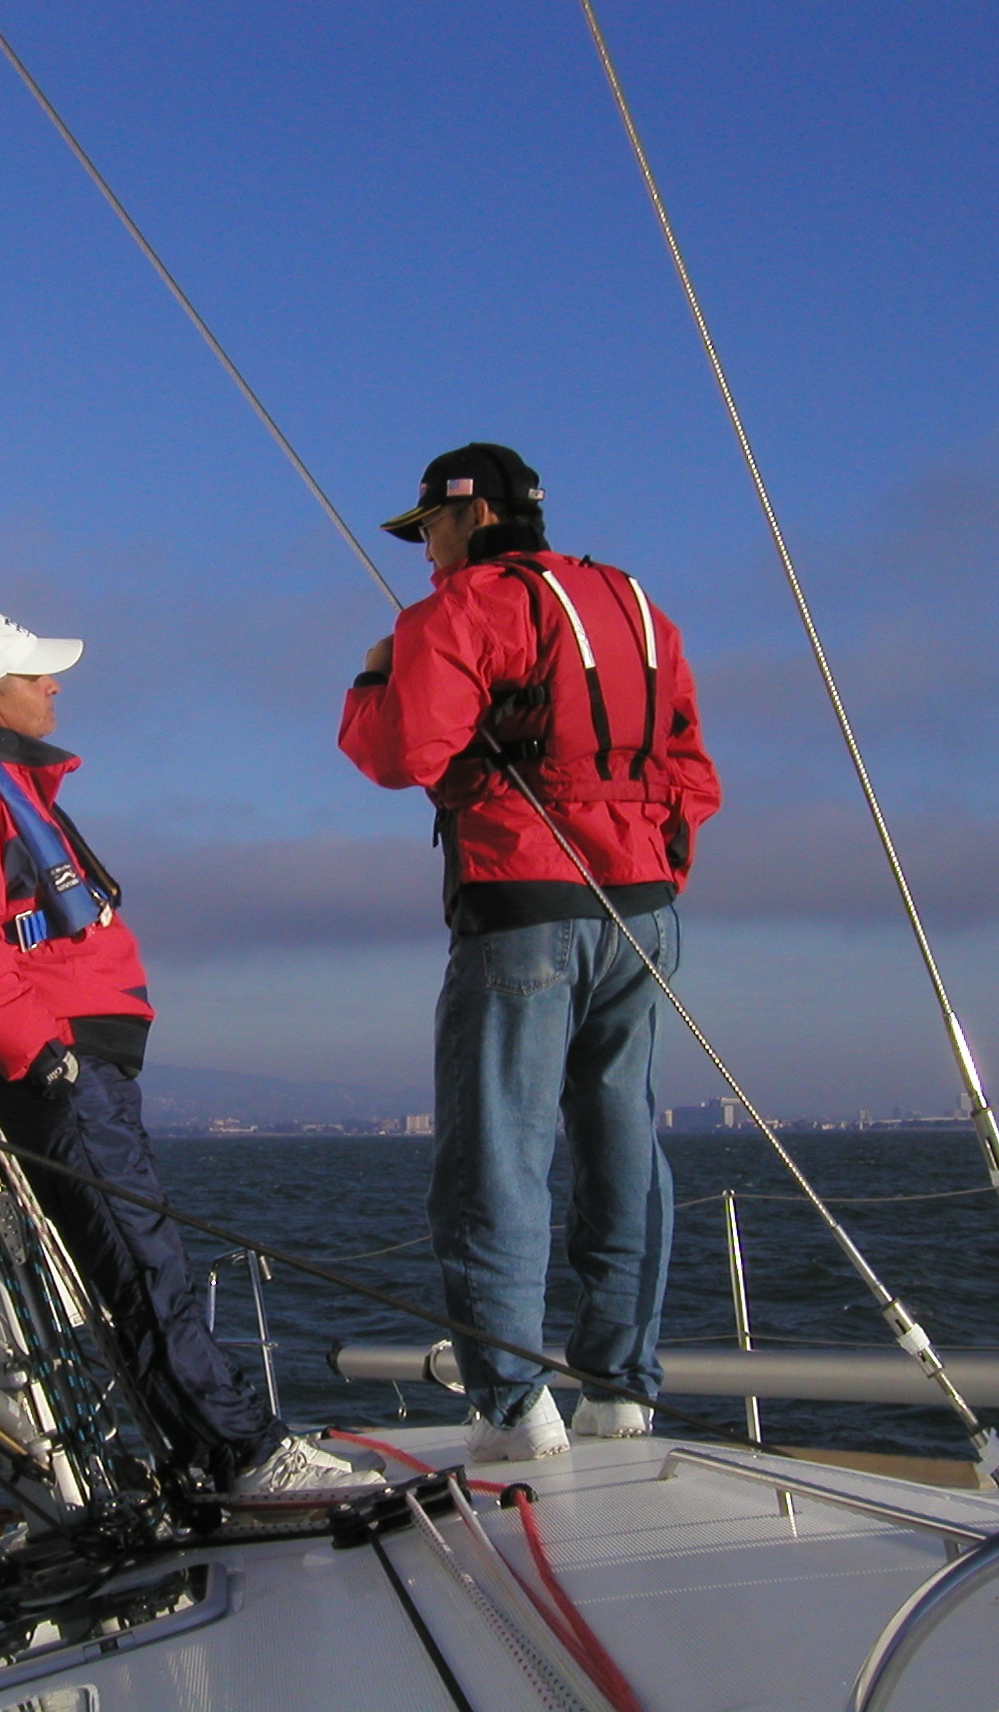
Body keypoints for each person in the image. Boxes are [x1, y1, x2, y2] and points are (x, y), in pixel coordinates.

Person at [0, 612, 379, 1497]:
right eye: (35, 676)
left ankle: (208, 1453)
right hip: (59, 1066)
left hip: (85, 1062)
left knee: (147, 1260)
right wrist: (38, 1053)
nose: (53, 686)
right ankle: (244, 1457)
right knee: (144, 1266)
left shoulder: (1, 783)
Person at [340, 444, 720, 1462]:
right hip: (642, 918)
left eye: (428, 528)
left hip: (521, 909)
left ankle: (512, 1405)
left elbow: (401, 752)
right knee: (623, 1143)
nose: (425, 552)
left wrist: (372, 676)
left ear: (470, 518)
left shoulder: (460, 610)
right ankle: (621, 1389)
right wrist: (658, 870)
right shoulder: (635, 607)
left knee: (496, 1158)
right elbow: (690, 764)